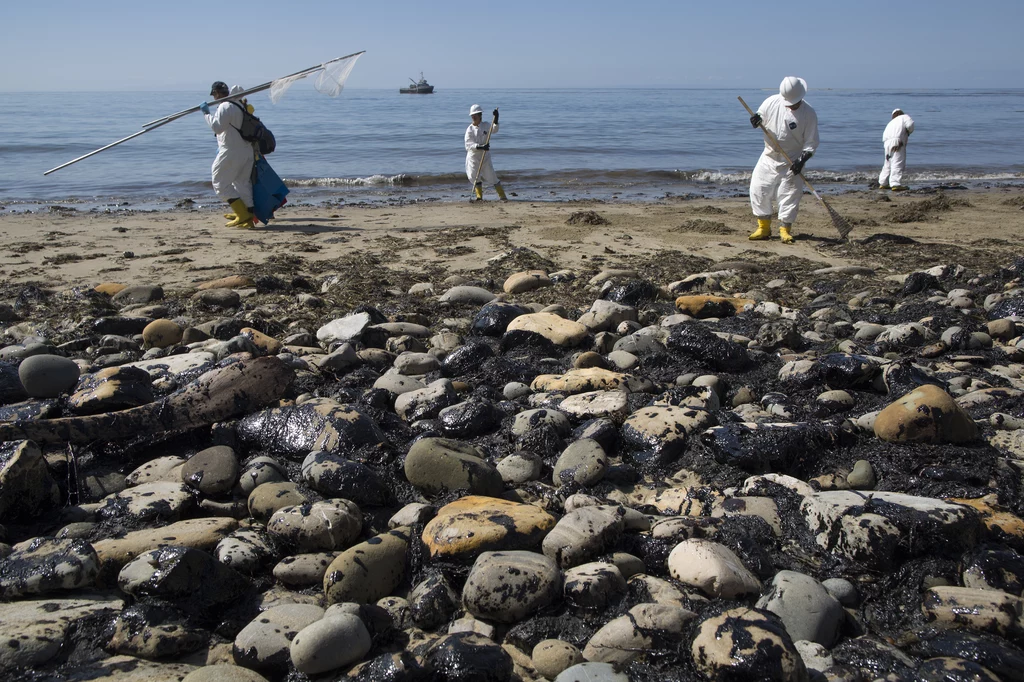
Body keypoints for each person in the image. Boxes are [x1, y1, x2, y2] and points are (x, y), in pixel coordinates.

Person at [748, 76, 819, 244]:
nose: (791, 105)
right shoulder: (771, 102)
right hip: (769, 155)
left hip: (792, 159)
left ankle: (785, 229)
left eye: (794, 103)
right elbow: (760, 117)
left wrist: (802, 159)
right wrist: (755, 120)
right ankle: (763, 227)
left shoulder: (809, 113)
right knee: (759, 189)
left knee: (789, 194)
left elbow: (811, 142)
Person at [200, 82, 256, 229]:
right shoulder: (240, 105)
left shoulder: (225, 106)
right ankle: (248, 219)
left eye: (214, 95)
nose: (214, 97)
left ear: (217, 93)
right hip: (246, 150)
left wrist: (206, 114)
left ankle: (242, 213)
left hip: (232, 150)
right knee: (242, 183)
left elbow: (217, 128)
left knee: (219, 182)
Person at [465, 104, 506, 201]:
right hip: (473, 157)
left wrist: (496, 118)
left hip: (485, 156)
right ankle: (479, 197)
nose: (474, 117)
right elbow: (468, 145)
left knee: (491, 175)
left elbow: (494, 129)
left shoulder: (486, 125)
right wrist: (480, 146)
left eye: (476, 115)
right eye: (472, 115)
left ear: (480, 115)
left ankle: (502, 196)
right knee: (473, 176)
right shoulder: (469, 130)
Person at [878, 108, 915, 191]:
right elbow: (910, 124)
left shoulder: (890, 123)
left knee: (887, 163)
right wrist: (909, 132)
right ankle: (895, 183)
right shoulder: (904, 117)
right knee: (897, 162)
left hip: (886, 143)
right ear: (901, 113)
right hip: (897, 142)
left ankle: (883, 182)